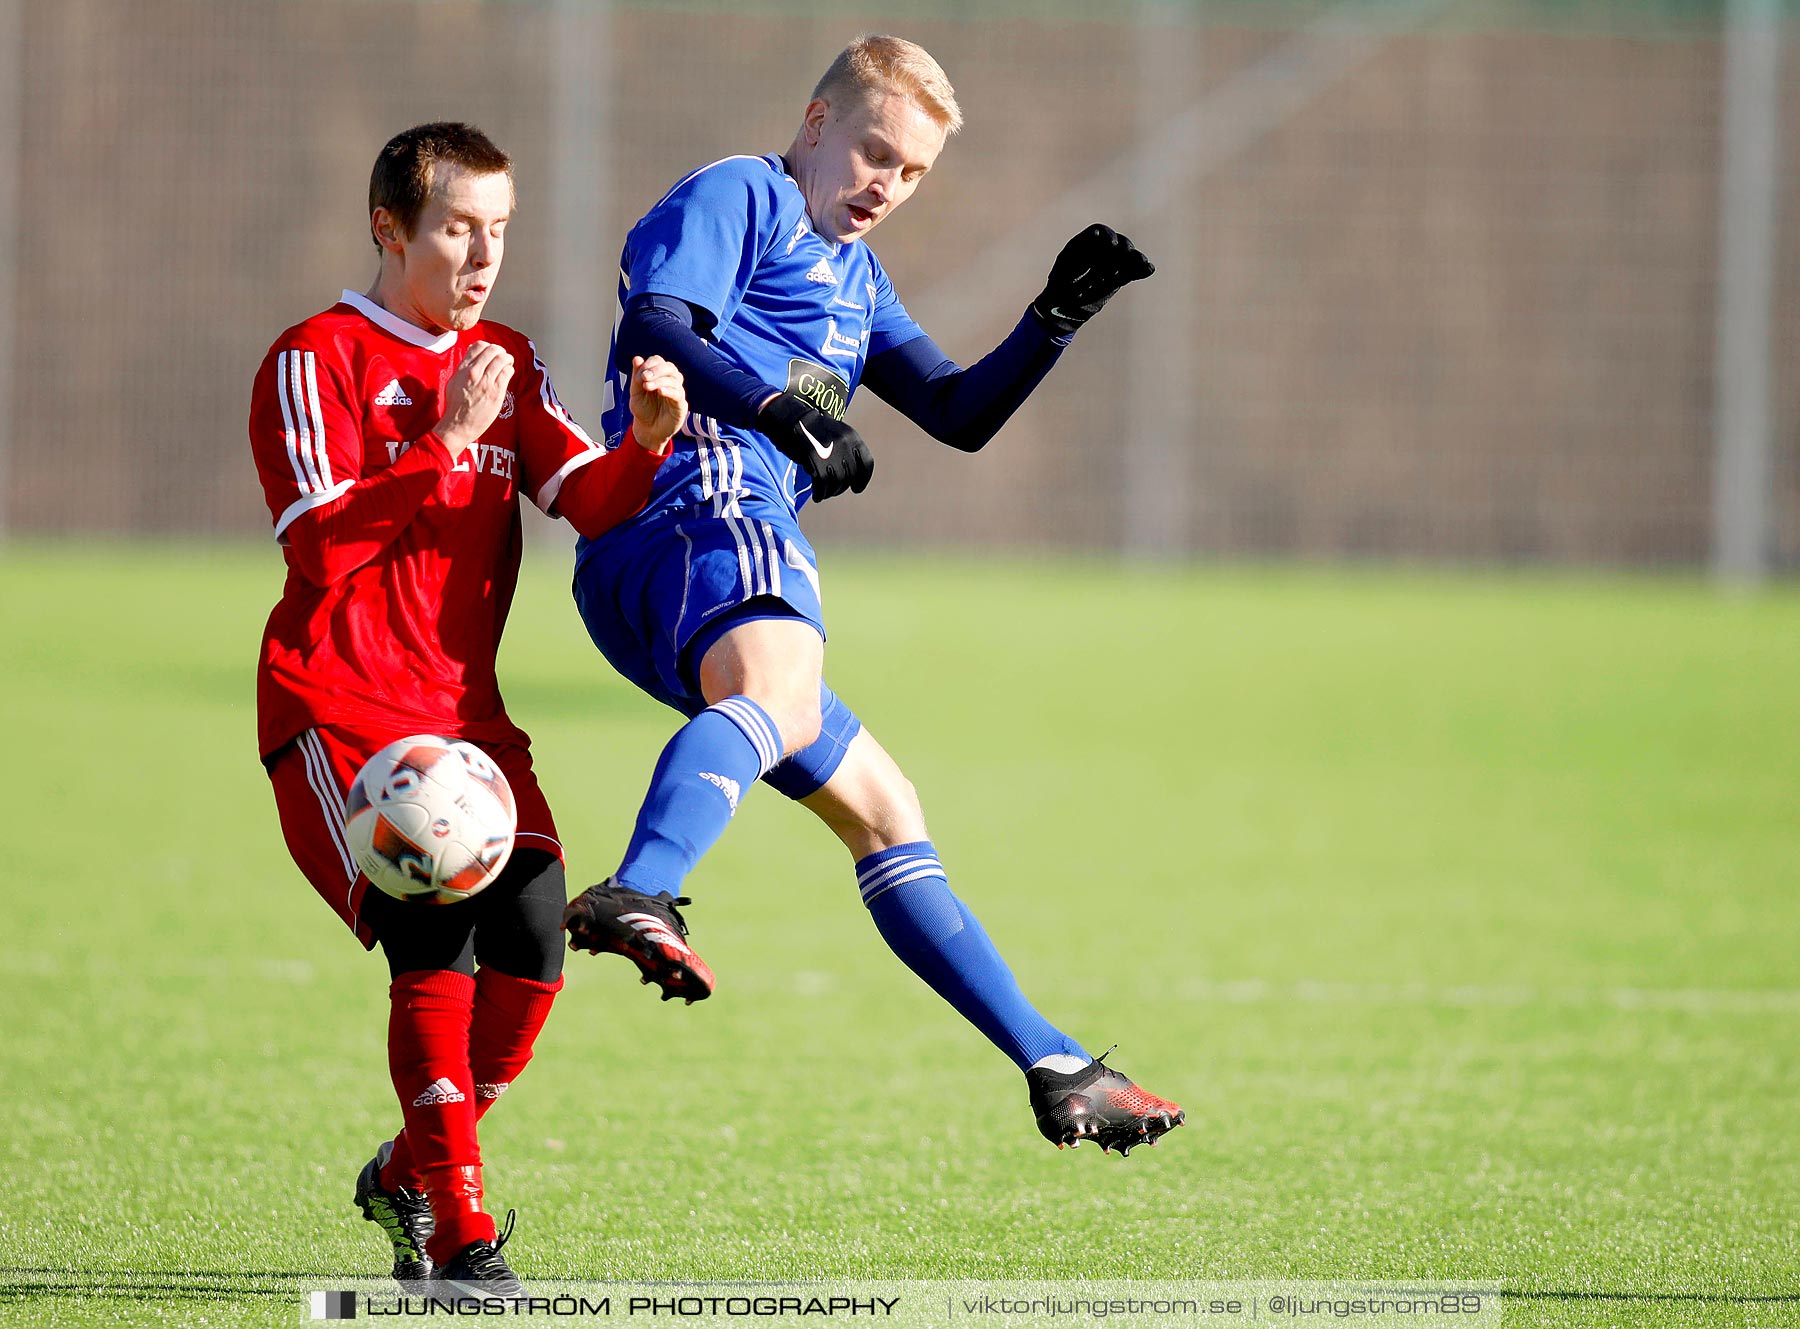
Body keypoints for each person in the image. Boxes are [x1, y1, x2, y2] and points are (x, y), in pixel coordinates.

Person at [561, 38, 1183, 1157]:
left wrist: (1053, 322)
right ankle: (640, 889)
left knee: (886, 814)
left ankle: (1055, 1066)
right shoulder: (740, 193)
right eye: (873, 153)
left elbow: (955, 413)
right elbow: (658, 323)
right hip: (695, 500)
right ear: (814, 123)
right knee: (782, 693)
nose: (884, 187)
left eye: (911, 175)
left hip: (712, 551)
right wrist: (777, 412)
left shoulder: (858, 282)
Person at [249, 122, 687, 1293]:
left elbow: (585, 499)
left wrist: (643, 449)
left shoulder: (507, 356)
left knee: (536, 948)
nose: (483, 254)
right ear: (390, 228)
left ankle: (410, 1169)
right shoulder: (316, 356)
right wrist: (441, 441)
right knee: (433, 943)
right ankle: (457, 1235)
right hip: (338, 711)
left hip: (465, 722)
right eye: (457, 227)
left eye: (499, 229)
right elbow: (316, 553)